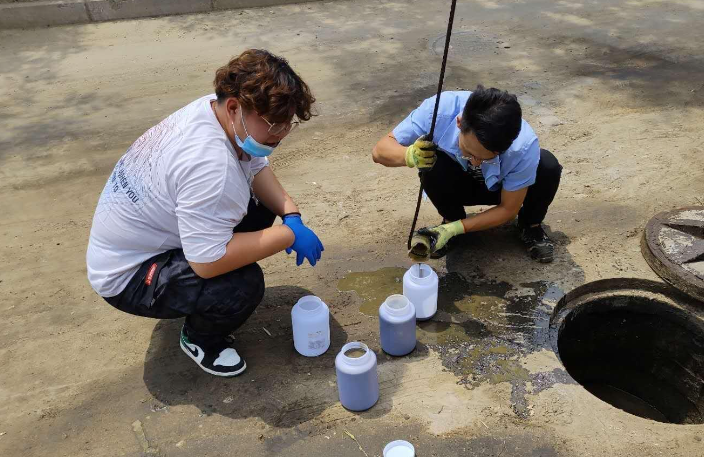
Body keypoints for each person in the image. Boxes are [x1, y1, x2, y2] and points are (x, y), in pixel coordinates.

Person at [86, 49, 324, 377]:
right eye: (273, 124)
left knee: (259, 208)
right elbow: (207, 262)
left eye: (288, 125)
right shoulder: (211, 167)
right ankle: (200, 338)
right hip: (128, 276)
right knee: (242, 284)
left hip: (147, 235)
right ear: (234, 108)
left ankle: (194, 293)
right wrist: (288, 235)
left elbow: (255, 166)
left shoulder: (215, 111)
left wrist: (291, 215)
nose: (281, 134)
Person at [372, 85, 562, 262]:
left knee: (547, 166)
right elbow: (379, 151)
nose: (476, 162)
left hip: (503, 190)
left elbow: (507, 209)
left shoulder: (523, 145)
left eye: (486, 158)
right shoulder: (440, 110)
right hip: (458, 184)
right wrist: (409, 155)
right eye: (469, 153)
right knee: (433, 164)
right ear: (460, 123)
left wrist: (457, 229)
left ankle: (530, 226)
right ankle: (451, 218)